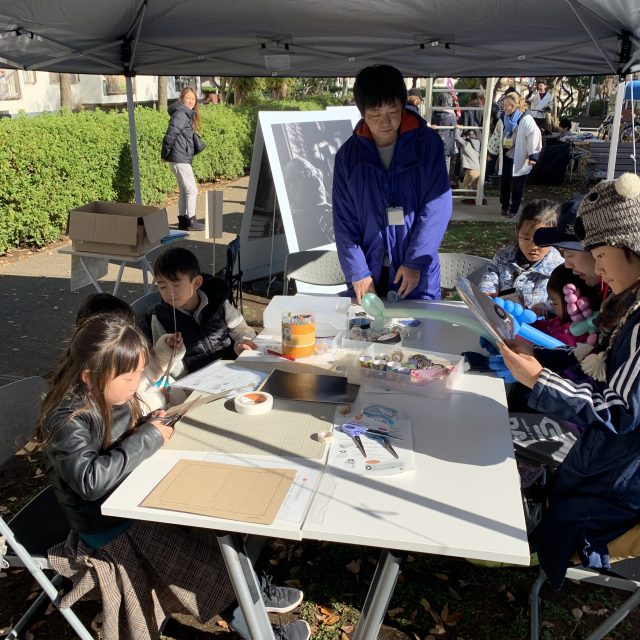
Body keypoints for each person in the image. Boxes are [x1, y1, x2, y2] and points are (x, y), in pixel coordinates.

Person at [40, 314, 309, 640]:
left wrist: (147, 425)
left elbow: (115, 444)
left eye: (139, 373)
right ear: (89, 377)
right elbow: (91, 480)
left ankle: (253, 594)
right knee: (202, 571)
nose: (136, 384)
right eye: (129, 377)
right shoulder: (68, 419)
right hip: (108, 525)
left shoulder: (110, 394)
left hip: (134, 499)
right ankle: (264, 633)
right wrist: (146, 439)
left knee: (213, 538)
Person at [499, 173, 640, 588]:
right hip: (599, 468)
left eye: (600, 254)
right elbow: (596, 363)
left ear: (632, 245)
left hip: (609, 492)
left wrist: (541, 380)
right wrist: (539, 356)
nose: (597, 266)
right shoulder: (627, 304)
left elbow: (620, 411)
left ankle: (525, 549)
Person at [332, 64, 452, 303]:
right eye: (375, 115)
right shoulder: (348, 157)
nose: (385, 122)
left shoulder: (427, 145)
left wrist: (415, 262)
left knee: (418, 326)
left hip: (415, 273)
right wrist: (358, 272)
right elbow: (344, 221)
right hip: (368, 273)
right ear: (362, 112)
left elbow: (437, 208)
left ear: (403, 104)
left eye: (393, 112)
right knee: (365, 326)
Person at [149, 246, 257, 374]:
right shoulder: (161, 317)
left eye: (176, 285)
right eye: (162, 287)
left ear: (196, 283)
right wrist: (170, 350)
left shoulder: (217, 301)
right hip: (197, 377)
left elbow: (241, 329)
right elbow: (163, 360)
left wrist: (241, 342)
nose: (169, 293)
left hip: (233, 367)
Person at [75, 292, 187, 412]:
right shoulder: (104, 383)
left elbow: (153, 365)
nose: (132, 334)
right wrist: (160, 398)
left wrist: (168, 347)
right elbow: (129, 412)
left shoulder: (127, 351)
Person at [477, 199, 564, 307]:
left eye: (541, 241)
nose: (533, 246)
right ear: (517, 231)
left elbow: (562, 305)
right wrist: (487, 295)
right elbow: (488, 281)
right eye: (526, 238)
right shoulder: (503, 258)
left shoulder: (559, 270)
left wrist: (545, 307)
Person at [488, 92, 542, 218]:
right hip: (506, 155)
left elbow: (534, 136)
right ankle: (504, 205)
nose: (505, 108)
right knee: (505, 183)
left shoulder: (526, 119)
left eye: (508, 105)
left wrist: (533, 156)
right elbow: (496, 136)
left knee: (518, 185)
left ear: (515, 105)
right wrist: (492, 153)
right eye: (504, 105)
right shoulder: (502, 119)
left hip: (521, 156)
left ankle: (514, 208)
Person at [161, 87, 205, 232]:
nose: (191, 101)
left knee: (184, 190)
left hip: (178, 158)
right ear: (182, 99)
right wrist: (164, 154)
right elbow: (170, 135)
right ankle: (192, 221)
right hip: (180, 159)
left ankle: (182, 221)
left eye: (193, 99)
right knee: (192, 190)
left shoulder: (183, 114)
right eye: (188, 98)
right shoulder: (180, 114)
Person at [533, 265, 600, 347]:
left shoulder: (578, 333)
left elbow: (553, 345)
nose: (552, 306)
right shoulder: (559, 320)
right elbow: (547, 327)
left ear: (572, 299)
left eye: (555, 303)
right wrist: (531, 321)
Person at [430, 91, 458, 174]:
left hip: (434, 144)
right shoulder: (451, 116)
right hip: (446, 145)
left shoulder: (433, 113)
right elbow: (455, 131)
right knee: (446, 166)